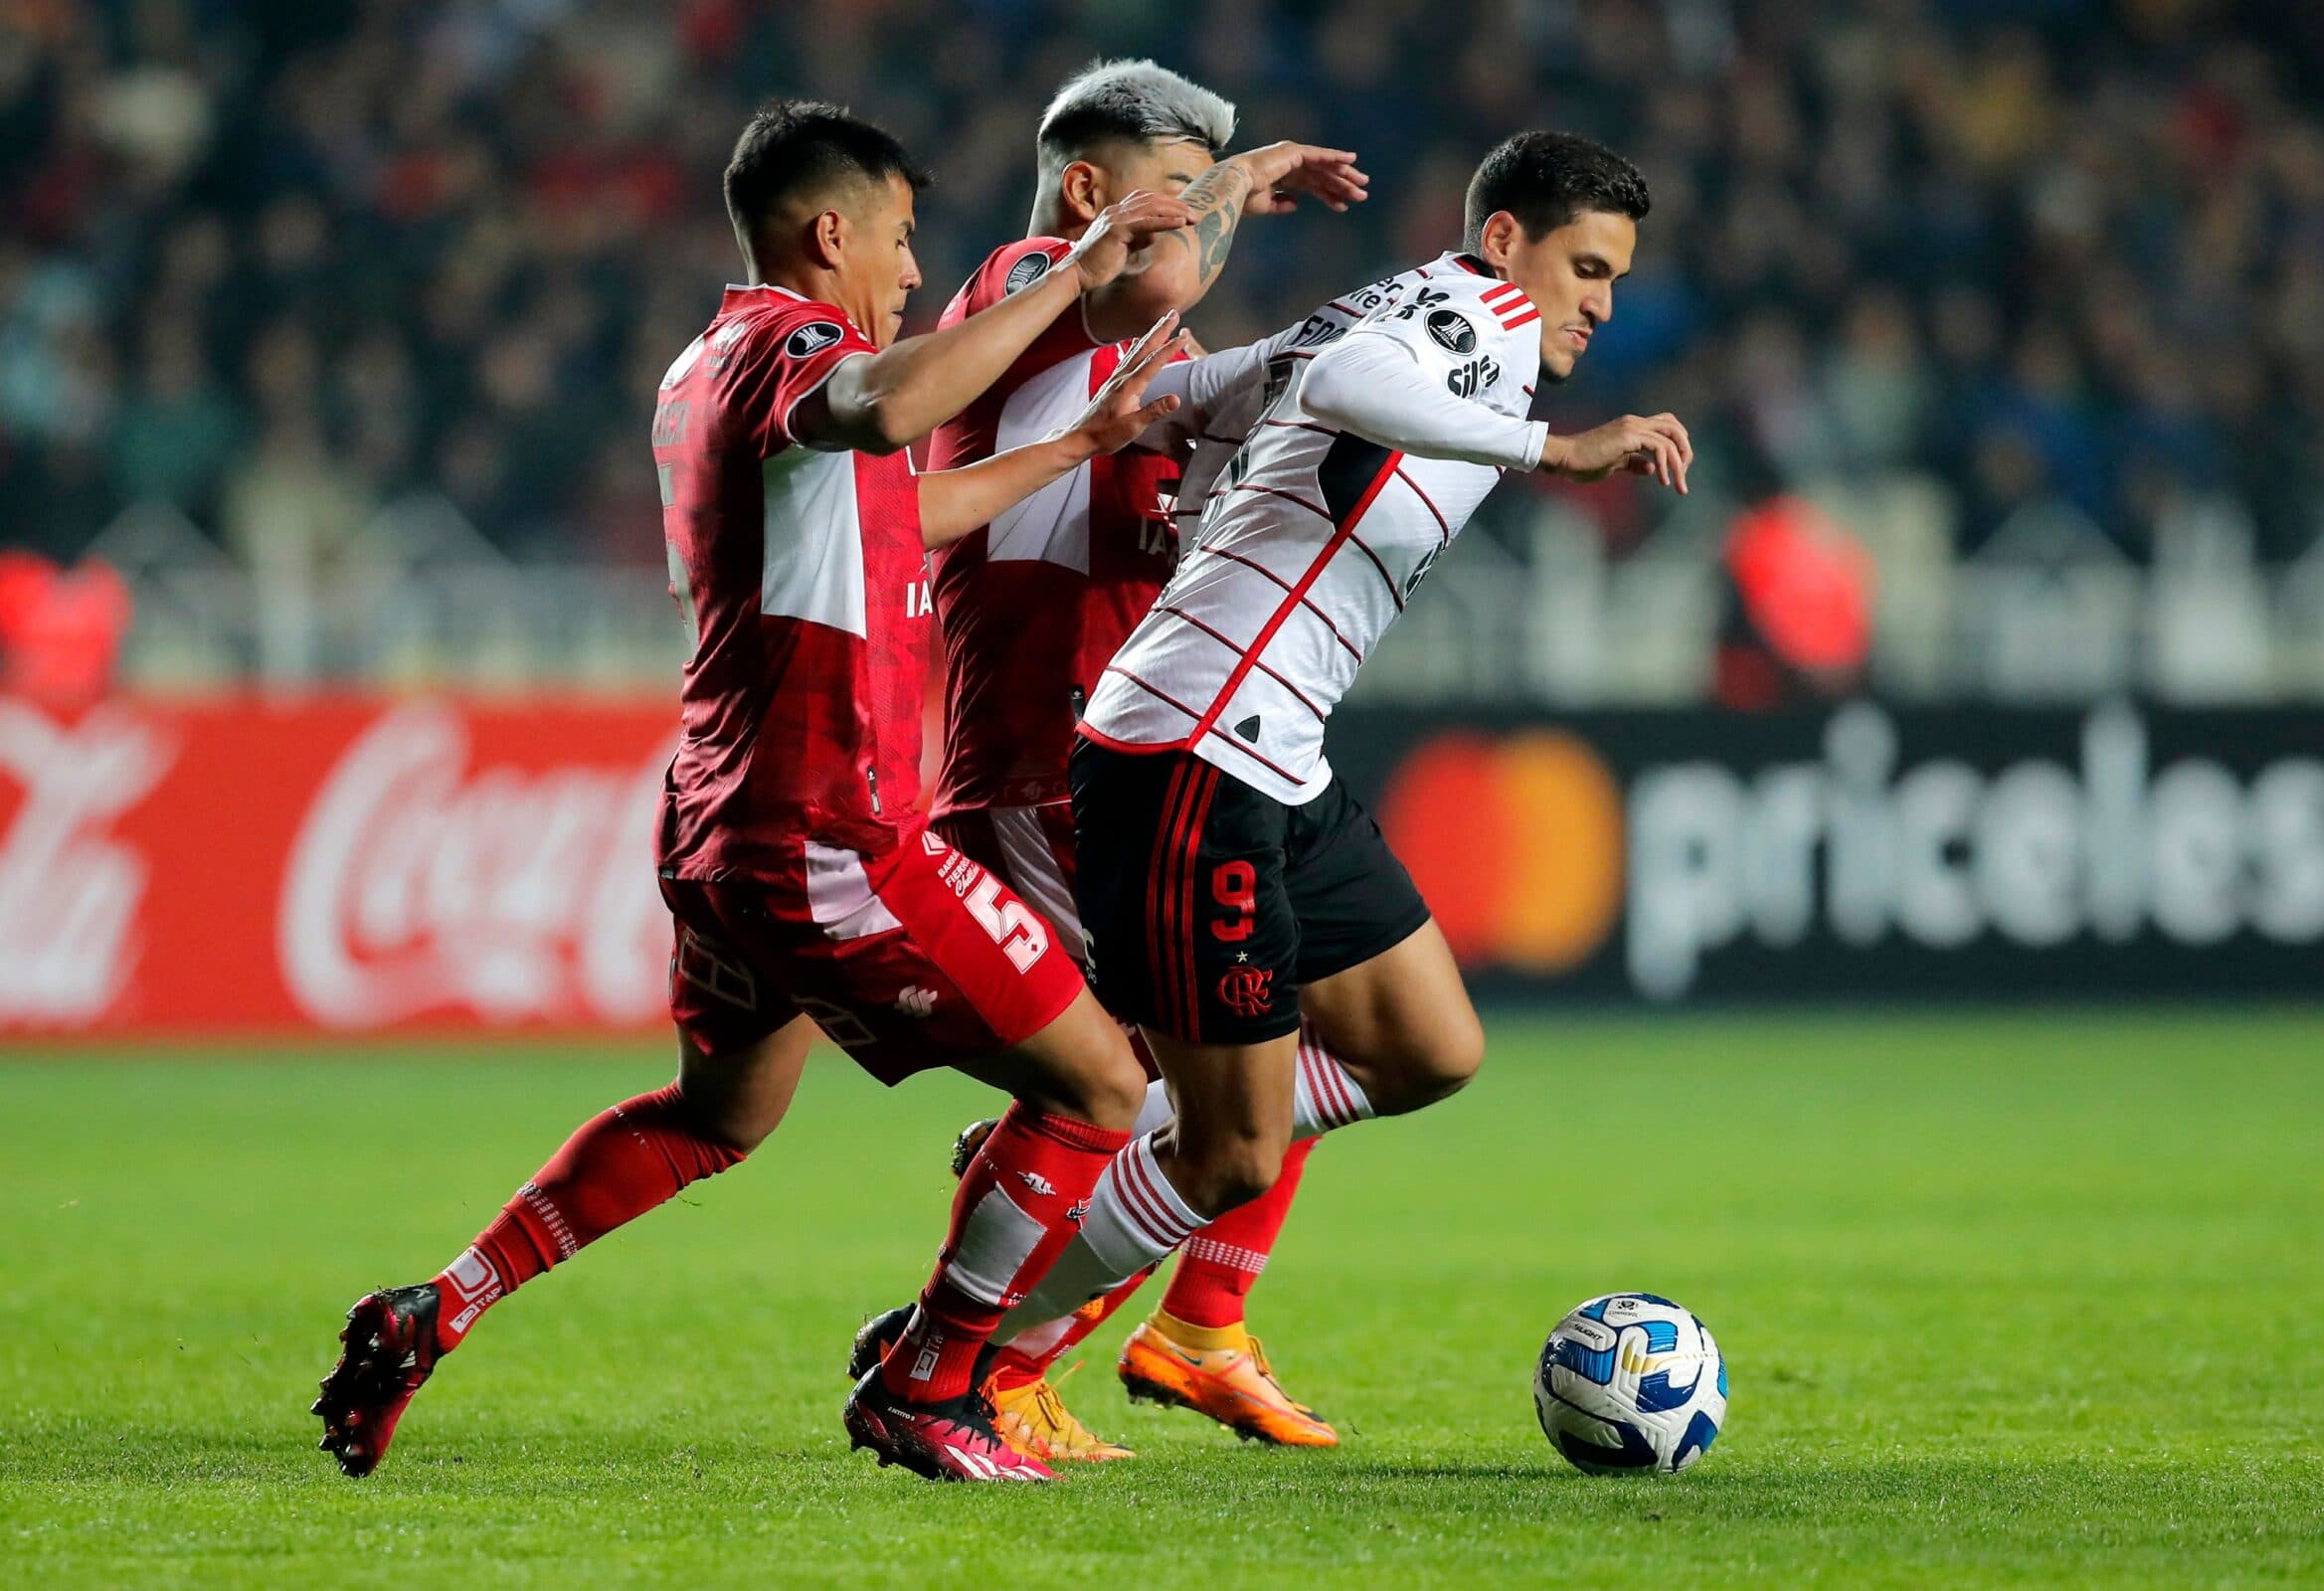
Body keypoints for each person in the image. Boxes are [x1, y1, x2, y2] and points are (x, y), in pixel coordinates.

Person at [312, 99, 1194, 1487]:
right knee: (1098, 1081)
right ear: (828, 231)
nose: (911, 274)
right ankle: (931, 1386)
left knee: (715, 1118)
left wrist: (1080, 449)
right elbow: (895, 400)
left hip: (718, 822)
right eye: (900, 243)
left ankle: (445, 1304)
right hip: (824, 825)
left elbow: (908, 504)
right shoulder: (799, 344)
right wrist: (1079, 271)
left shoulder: (695, 365)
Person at [974, 130, 1694, 1354]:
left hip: (1266, 747)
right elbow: (1346, 382)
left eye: (1614, 278)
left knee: (1428, 1046)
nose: (1601, 305)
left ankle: (1138, 1139)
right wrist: (1555, 450)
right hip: (1198, 744)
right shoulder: (1477, 318)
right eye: (1587, 268)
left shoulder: (1411, 306)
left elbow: (1247, 375)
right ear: (1509, 241)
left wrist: (1168, 418)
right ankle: (965, 1343)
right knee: (1235, 1149)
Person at [865, 59, 1368, 1462]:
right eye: (1187, 193)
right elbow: (1144, 273)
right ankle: (996, 1358)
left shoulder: (1139, 366)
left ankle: (1196, 1327)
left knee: (1297, 1017)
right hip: (1044, 751)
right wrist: (1244, 171)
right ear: (1092, 192)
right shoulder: (1033, 276)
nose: (1218, 231)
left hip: (1129, 747)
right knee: (1184, 1084)